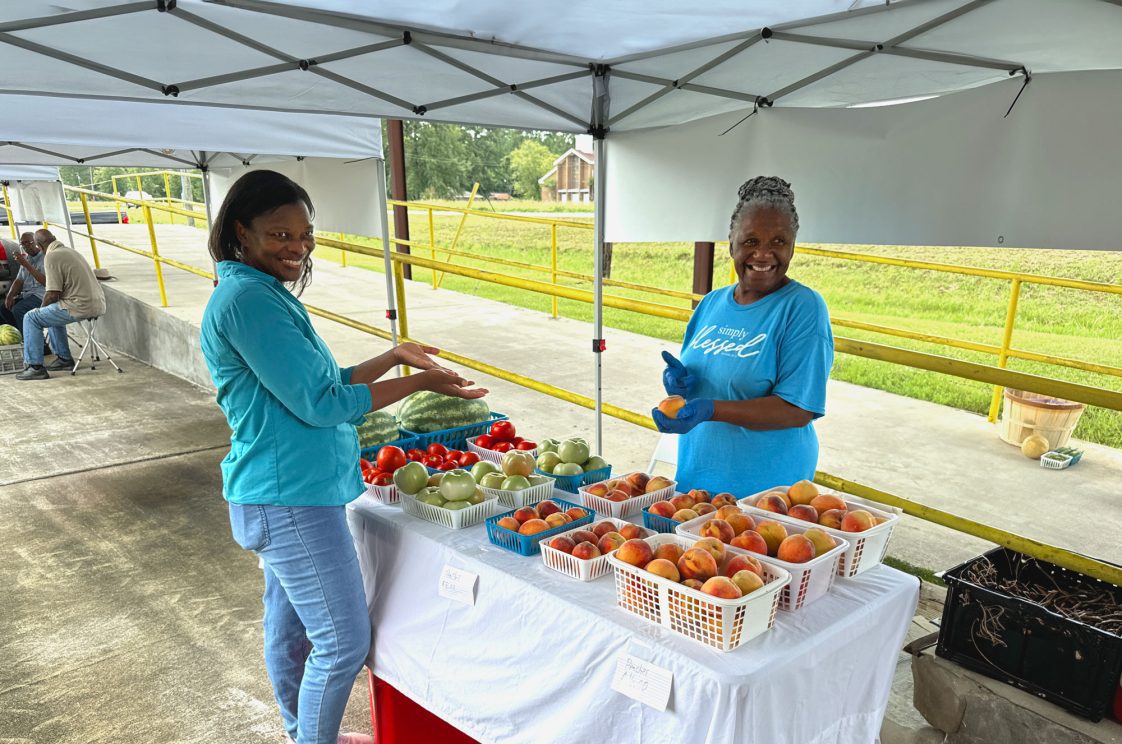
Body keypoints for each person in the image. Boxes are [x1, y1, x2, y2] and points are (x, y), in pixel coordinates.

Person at [200, 170, 487, 744]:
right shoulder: (246, 301)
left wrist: (393, 358)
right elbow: (322, 402)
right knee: (340, 642)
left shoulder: (258, 294)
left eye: (305, 235)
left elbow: (323, 378)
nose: (297, 248)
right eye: (280, 235)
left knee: (291, 634)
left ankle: (300, 734)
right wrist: (419, 382)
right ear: (241, 231)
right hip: (290, 500)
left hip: (285, 493)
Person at [652, 176, 834, 496]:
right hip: (697, 481)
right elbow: (709, 381)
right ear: (731, 242)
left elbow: (797, 409)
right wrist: (681, 386)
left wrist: (712, 409)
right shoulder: (711, 303)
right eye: (751, 241)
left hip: (763, 496)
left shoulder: (803, 307)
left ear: (792, 245)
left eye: (778, 241)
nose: (763, 255)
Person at [15, 230, 105, 380]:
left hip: (79, 306)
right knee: (52, 311)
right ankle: (64, 359)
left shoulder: (51, 256)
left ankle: (35, 367)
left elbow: (52, 293)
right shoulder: (70, 251)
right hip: (97, 304)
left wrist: (39, 310)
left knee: (31, 317)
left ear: (39, 245)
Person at [2, 233, 47, 334]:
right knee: (4, 308)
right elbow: (19, 280)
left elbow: (46, 282)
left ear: (36, 242)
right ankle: (17, 336)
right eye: (23, 244)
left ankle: (32, 341)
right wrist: (10, 296)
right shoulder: (27, 259)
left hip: (42, 295)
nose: (26, 247)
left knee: (18, 309)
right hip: (28, 295)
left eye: (29, 243)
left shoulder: (45, 258)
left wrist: (26, 264)